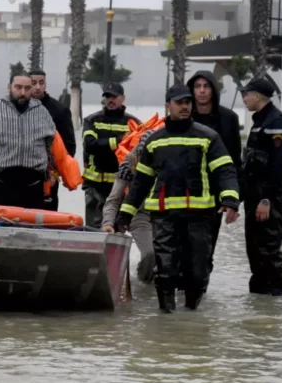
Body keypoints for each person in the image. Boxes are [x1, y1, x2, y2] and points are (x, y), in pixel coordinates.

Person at [116, 84, 240, 313]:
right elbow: (141, 183)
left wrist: (230, 199)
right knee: (165, 270)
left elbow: (225, 171)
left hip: (200, 216)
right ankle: (167, 318)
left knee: (198, 271)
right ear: (168, 106)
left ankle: (190, 315)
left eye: (188, 102)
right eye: (179, 103)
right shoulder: (154, 141)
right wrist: (125, 214)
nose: (185, 107)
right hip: (164, 217)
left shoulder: (208, 137)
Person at [0, 70, 81, 210]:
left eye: (27, 88)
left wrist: (68, 177)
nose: (23, 92)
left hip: (32, 189)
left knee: (30, 231)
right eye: (18, 87)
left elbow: (59, 151)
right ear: (9, 87)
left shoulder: (43, 114)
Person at [240, 76, 282, 296]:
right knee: (254, 249)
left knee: (269, 249)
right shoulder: (260, 121)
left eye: (247, 93)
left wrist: (266, 200)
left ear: (258, 96)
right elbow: (251, 165)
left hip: (269, 197)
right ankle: (260, 301)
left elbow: (278, 166)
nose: (244, 98)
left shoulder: (277, 122)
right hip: (254, 195)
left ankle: (279, 299)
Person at [187, 70, 243, 265]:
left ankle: (200, 289)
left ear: (213, 90)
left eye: (206, 86)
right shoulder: (183, 116)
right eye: (197, 87)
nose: (202, 91)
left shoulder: (229, 119)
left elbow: (235, 160)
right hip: (183, 193)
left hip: (214, 194)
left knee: (205, 248)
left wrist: (234, 199)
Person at [101, 129, 158, 284]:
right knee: (149, 254)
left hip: (164, 213)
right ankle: (144, 284)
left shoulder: (169, 161)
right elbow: (113, 199)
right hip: (140, 213)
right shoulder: (128, 165)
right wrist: (107, 223)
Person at [81, 82, 140, 228]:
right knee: (92, 230)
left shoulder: (133, 123)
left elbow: (139, 151)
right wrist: (120, 141)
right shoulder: (91, 120)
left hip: (120, 187)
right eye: (107, 96)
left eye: (114, 96)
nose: (110, 100)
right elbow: (90, 145)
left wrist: (104, 144)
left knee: (117, 229)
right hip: (94, 186)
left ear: (123, 98)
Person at [29, 69, 76, 211]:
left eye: (41, 83)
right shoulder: (18, 108)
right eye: (33, 83)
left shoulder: (59, 111)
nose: (37, 87)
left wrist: (55, 172)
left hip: (48, 178)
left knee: (46, 219)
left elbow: (69, 147)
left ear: (45, 85)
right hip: (22, 174)